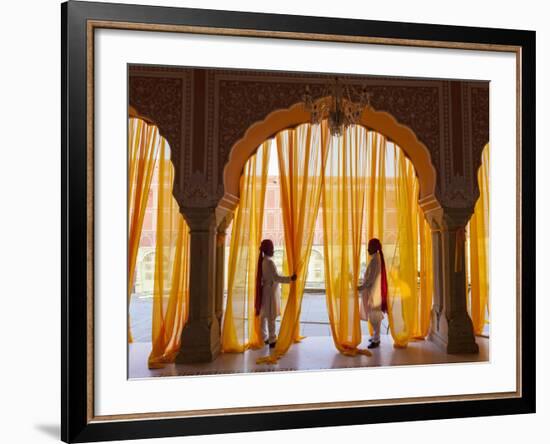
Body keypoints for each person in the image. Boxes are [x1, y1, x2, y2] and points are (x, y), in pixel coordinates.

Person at [255, 239, 297, 348]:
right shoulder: (269, 262)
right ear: (269, 250)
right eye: (272, 248)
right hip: (270, 292)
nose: (273, 250)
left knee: (264, 316)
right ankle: (272, 340)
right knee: (271, 316)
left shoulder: (264, 261)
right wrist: (290, 278)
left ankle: (264, 338)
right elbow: (276, 278)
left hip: (266, 291)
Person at [357, 238, 388, 349]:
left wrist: (361, 287)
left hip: (374, 293)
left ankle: (376, 339)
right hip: (374, 292)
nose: (368, 249)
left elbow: (371, 278)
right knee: (374, 316)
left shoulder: (376, 260)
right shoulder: (376, 258)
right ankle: (376, 336)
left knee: (374, 317)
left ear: (374, 248)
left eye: (369, 247)